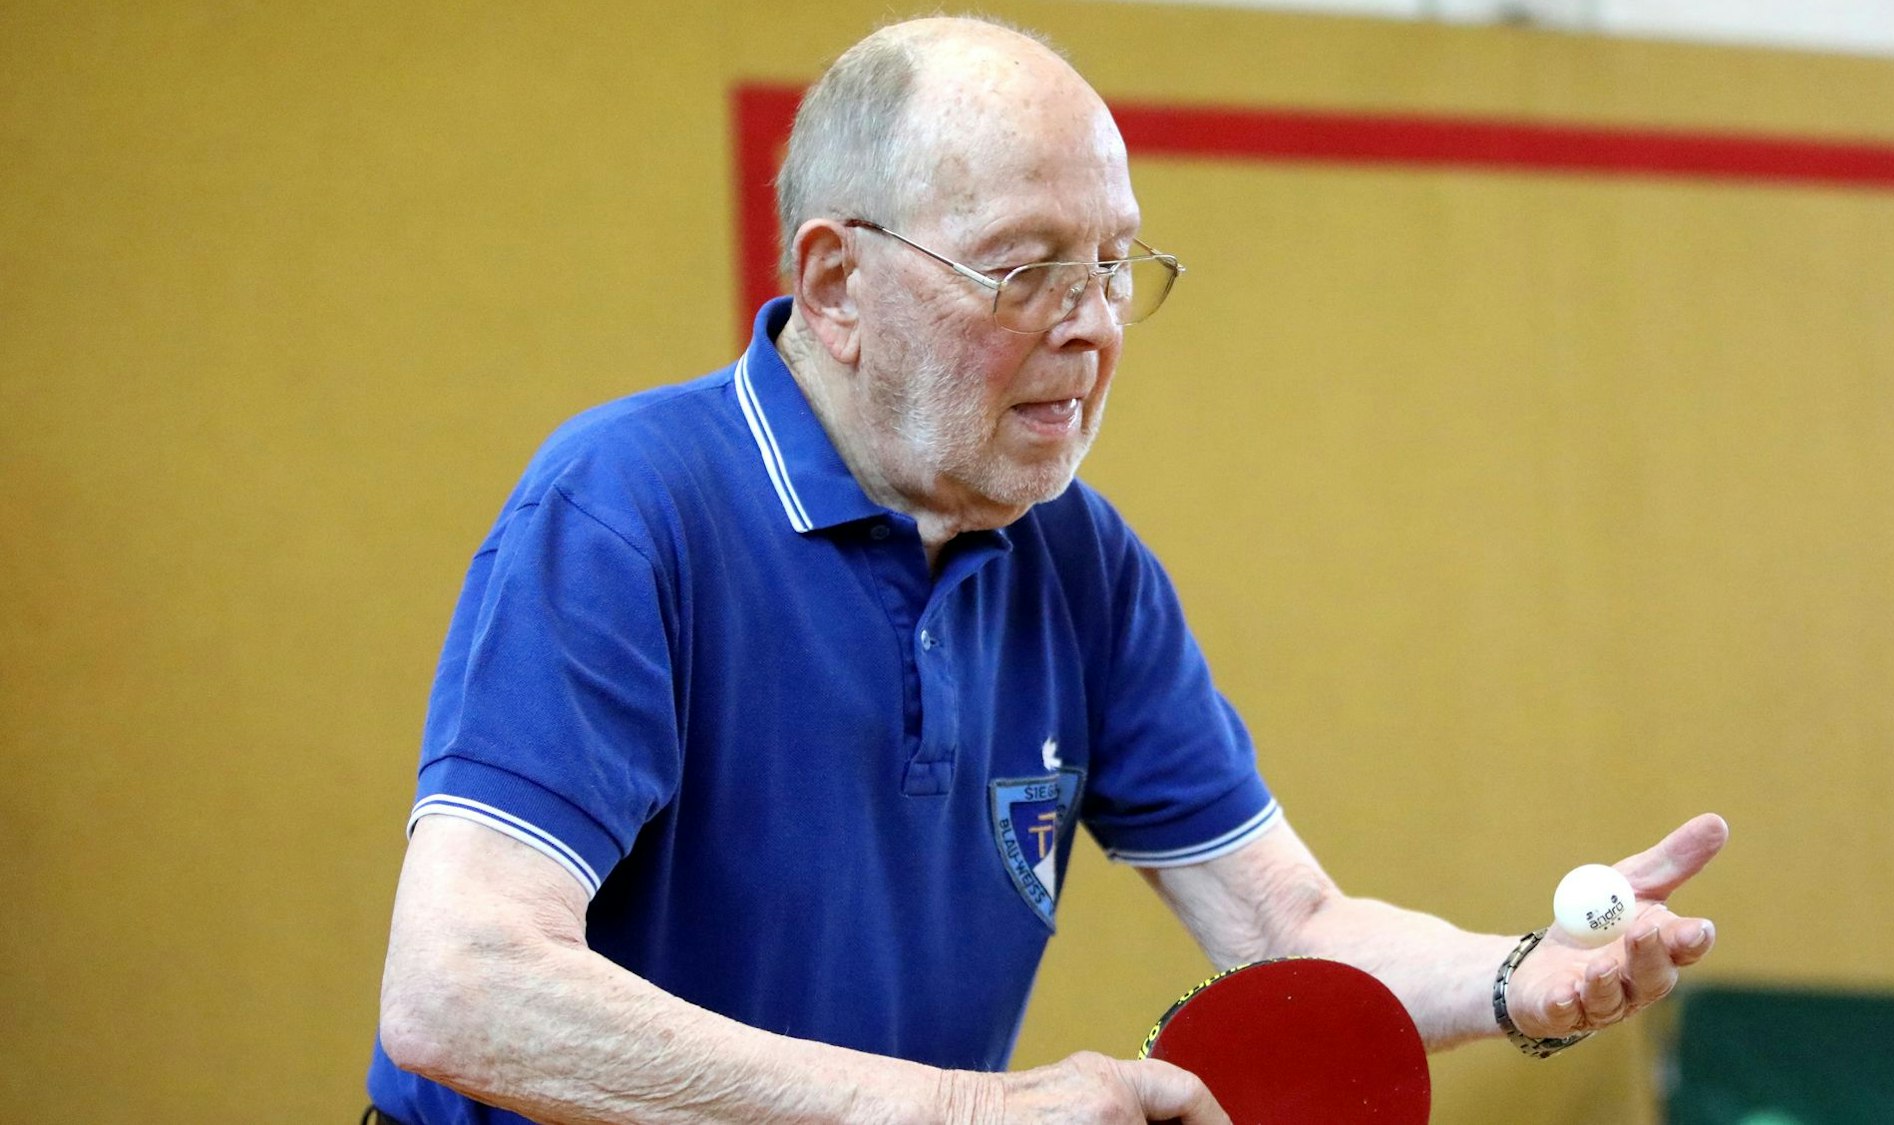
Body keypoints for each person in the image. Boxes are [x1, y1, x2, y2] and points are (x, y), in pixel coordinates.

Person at [366, 14, 1729, 1125]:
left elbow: (1289, 924)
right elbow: (461, 981)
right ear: (837, 284)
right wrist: (960, 1114)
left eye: (1117, 264)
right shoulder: (625, 506)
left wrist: (1513, 977)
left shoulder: (1083, 566)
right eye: (1025, 271)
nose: (1090, 328)